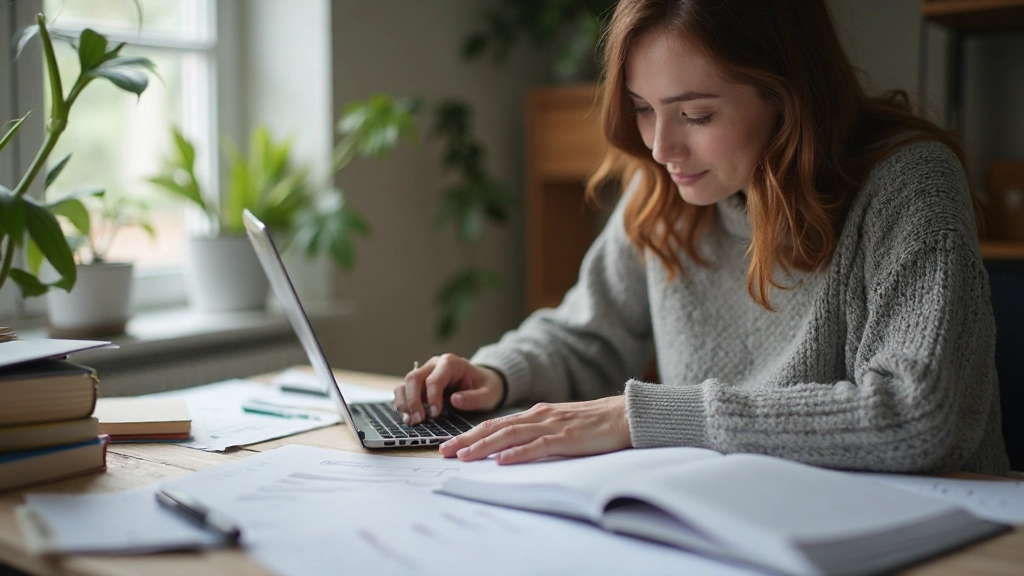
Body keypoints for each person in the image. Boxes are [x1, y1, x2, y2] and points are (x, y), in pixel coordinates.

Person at [393, 0, 1010, 474]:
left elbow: (919, 414)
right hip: (730, 522)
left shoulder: (909, 182)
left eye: (696, 115)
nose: (661, 148)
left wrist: (644, 417)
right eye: (642, 107)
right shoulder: (668, 189)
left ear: (787, 96)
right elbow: (587, 334)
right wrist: (497, 374)